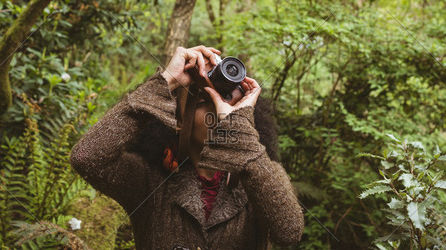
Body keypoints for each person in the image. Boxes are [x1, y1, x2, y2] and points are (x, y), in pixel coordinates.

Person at [69, 45, 304, 249]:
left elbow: (289, 232)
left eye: (227, 100)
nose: (218, 110)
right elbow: (86, 157)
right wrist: (165, 82)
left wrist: (241, 131)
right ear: (179, 120)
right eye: (204, 102)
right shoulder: (148, 182)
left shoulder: (259, 179)